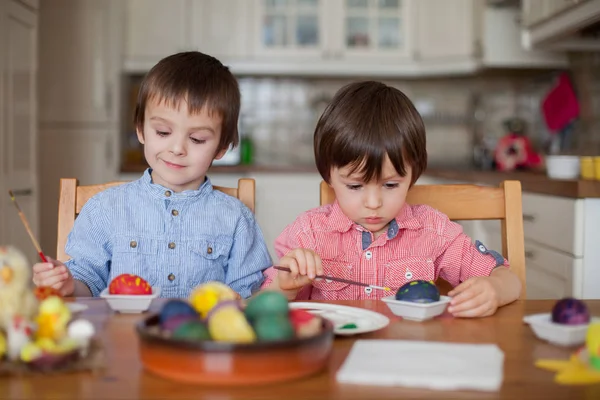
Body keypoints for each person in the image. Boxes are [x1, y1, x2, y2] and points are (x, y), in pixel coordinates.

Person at [261, 81, 521, 318]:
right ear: (328, 176)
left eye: (390, 184)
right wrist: (283, 288)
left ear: (413, 175)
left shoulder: (432, 231)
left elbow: (509, 280)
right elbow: (259, 307)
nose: (373, 202)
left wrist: (495, 288)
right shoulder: (309, 235)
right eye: (354, 185)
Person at [33, 52, 272, 299]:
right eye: (163, 132)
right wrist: (68, 284)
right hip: (121, 337)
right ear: (141, 130)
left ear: (221, 148)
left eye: (197, 139)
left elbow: (248, 296)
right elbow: (88, 282)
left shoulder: (236, 218)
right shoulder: (105, 208)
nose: (177, 148)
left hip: (198, 337)